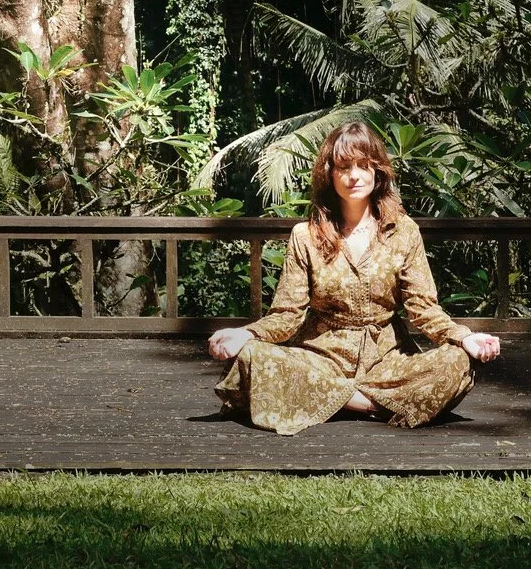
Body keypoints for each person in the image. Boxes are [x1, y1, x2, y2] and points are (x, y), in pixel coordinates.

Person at [208, 121, 501, 435]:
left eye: (364, 166)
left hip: (387, 361)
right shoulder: (305, 236)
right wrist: (246, 335)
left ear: (378, 172)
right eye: (344, 167)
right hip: (320, 359)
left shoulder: (403, 232)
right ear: (329, 173)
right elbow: (286, 315)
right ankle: (372, 404)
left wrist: (463, 336)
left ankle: (332, 398)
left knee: (458, 362)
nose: (354, 176)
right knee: (251, 356)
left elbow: (423, 309)